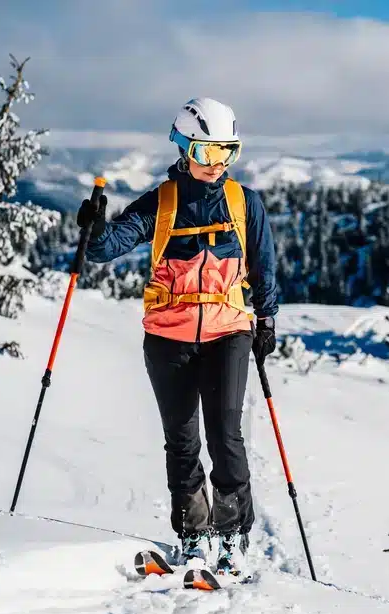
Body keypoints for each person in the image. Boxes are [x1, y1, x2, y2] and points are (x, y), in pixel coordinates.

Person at [76, 97, 278, 575]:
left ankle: (231, 537)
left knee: (226, 436)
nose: (219, 164)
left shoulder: (245, 203)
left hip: (228, 334)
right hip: (168, 339)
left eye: (229, 151)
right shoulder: (162, 202)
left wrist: (266, 320)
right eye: (209, 153)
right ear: (185, 148)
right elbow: (107, 248)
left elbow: (264, 266)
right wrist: (95, 226)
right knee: (182, 440)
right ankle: (192, 533)